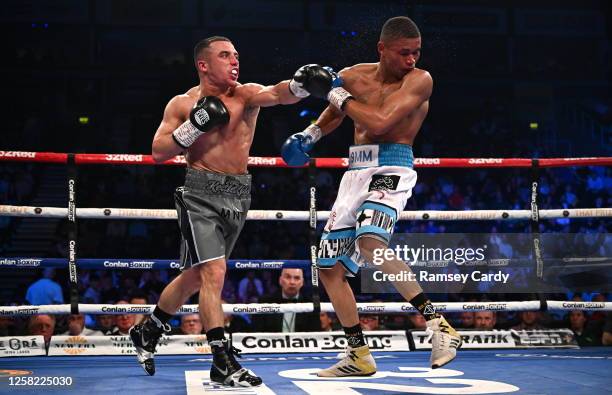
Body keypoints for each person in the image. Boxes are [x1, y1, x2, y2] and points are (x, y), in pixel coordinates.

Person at [281, 16, 461, 376]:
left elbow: (379, 122)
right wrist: (310, 135)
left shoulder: (420, 80)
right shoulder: (353, 76)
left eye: (416, 52)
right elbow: (335, 113)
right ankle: (359, 355)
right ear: (382, 49)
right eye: (403, 53)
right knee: (328, 267)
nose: (411, 59)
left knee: (369, 242)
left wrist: (336, 92)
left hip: (392, 168)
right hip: (355, 172)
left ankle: (439, 325)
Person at [128, 36, 305, 387]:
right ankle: (221, 360)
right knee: (213, 273)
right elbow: (159, 151)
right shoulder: (183, 103)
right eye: (225, 56)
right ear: (204, 65)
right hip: (199, 194)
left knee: (196, 277)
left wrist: (301, 84)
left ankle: (148, 329)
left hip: (239, 195)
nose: (235, 61)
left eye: (237, 55)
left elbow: (279, 93)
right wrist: (194, 125)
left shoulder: (246, 94)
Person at [252, 268, 321, 332]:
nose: (292, 282)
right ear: (280, 280)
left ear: (302, 282)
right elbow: (257, 332)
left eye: (297, 278)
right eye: (288, 277)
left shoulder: (310, 304)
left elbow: (315, 333)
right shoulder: (265, 302)